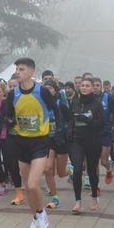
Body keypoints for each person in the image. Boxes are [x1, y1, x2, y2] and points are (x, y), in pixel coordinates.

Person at [3, 58, 60, 228]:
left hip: (40, 142)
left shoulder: (41, 91)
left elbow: (56, 111)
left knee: (33, 185)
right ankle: (35, 220)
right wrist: (10, 121)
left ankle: (42, 214)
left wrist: (57, 132)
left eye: (21, 69)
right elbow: (7, 116)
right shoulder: (13, 94)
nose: (18, 72)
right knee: (28, 188)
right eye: (17, 69)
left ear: (31, 72)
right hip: (21, 142)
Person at [69, 77, 105, 213]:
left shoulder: (97, 104)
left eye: (87, 85)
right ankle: (78, 201)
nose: (84, 87)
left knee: (91, 171)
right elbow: (70, 118)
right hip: (77, 141)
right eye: (82, 85)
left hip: (93, 141)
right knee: (77, 169)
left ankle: (94, 197)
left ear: (92, 88)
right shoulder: (75, 102)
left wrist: (87, 120)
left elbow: (102, 124)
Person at [43, 80, 70, 210]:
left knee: (61, 173)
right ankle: (55, 198)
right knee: (47, 169)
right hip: (47, 141)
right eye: (45, 88)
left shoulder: (61, 105)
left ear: (55, 90)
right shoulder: (41, 105)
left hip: (61, 140)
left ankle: (72, 170)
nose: (48, 91)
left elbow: (71, 121)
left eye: (50, 88)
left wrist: (63, 132)